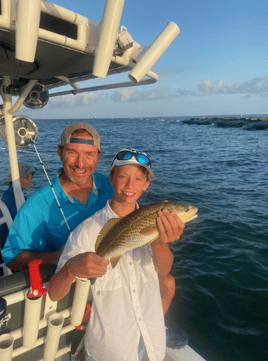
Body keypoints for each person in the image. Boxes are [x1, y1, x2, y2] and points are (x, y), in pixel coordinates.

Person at [48, 148, 185, 361]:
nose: (130, 186)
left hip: (152, 342)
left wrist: (159, 243)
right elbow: (54, 294)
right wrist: (71, 269)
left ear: (146, 184)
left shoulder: (155, 221)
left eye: (138, 179)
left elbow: (164, 270)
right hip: (111, 349)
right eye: (123, 177)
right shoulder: (87, 231)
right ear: (111, 178)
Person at [2, 123, 182, 276]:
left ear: (98, 156)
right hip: (71, 281)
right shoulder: (37, 204)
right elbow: (11, 258)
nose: (80, 164)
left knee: (167, 283)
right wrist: (55, 257)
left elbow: (135, 221)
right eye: (72, 152)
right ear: (59, 152)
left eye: (89, 154)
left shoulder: (115, 186)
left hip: (116, 273)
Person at [0, 163, 35, 249]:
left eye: (31, 177)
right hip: (13, 247)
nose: (31, 181)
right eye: (27, 177)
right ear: (16, 180)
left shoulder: (7, 195)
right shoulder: (16, 200)